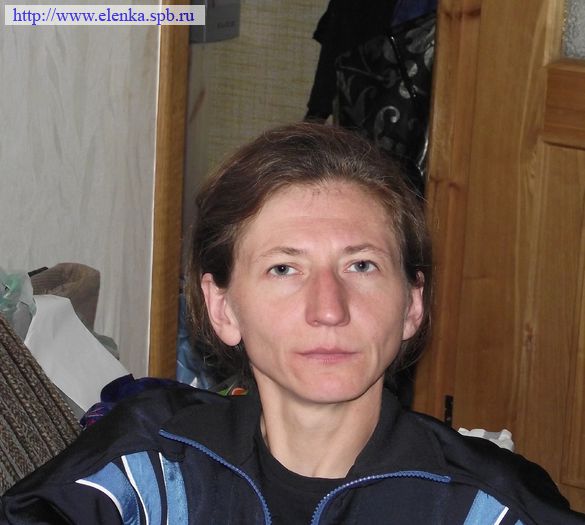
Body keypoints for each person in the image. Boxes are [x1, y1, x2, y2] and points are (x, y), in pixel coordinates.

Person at [1, 123, 584, 524]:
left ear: (412, 303)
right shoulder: (145, 467)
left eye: (361, 265)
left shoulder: (489, 505)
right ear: (223, 307)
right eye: (284, 268)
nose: (328, 308)